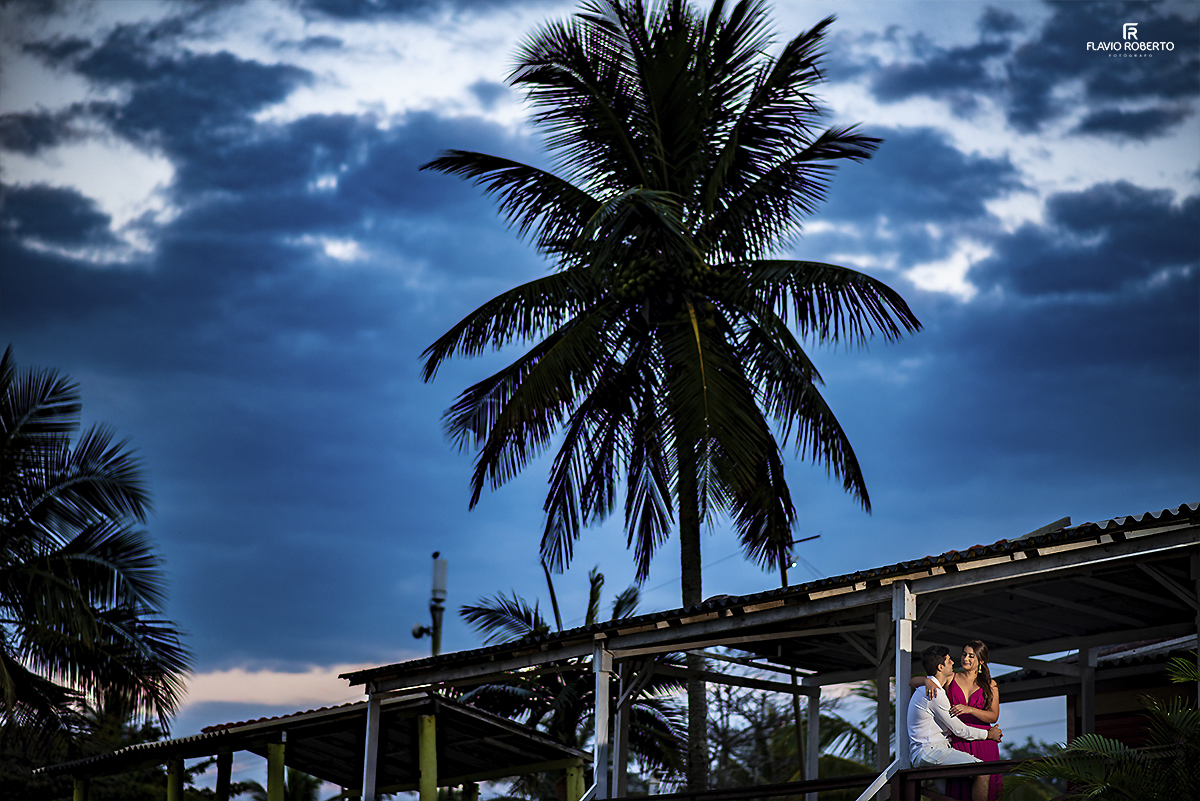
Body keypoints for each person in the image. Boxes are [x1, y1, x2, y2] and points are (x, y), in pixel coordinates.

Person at [907, 645, 1002, 801]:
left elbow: (993, 716)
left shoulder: (990, 684)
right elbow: (959, 730)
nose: (962, 659)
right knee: (978, 773)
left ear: (981, 661)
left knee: (976, 777)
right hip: (950, 743)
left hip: (970, 741)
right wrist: (927, 680)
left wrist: (970, 710)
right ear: (940, 666)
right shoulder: (938, 691)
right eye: (963, 654)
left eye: (971, 656)